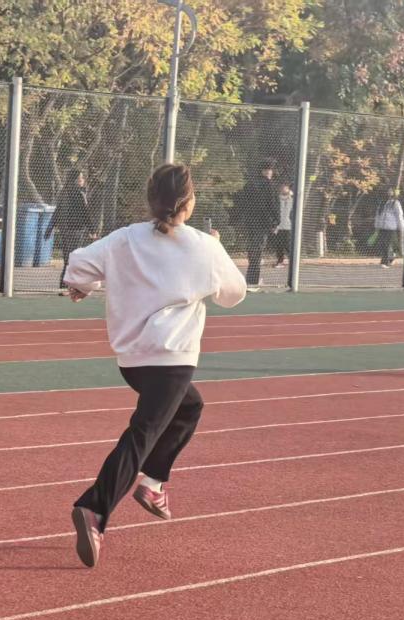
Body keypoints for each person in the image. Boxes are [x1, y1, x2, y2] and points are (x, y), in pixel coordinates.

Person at [63, 163, 248, 567]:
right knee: (142, 434)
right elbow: (234, 294)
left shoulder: (125, 238)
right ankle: (95, 507)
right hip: (172, 358)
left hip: (132, 360)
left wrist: (83, 285)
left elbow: (78, 265)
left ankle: (152, 482)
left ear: (151, 201)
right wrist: (216, 252)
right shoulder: (204, 246)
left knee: (190, 407)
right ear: (189, 203)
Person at [233, 160, 279, 289]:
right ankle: (253, 280)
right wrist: (275, 221)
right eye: (269, 170)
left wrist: (243, 218)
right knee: (258, 249)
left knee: (253, 249)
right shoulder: (269, 185)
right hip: (263, 222)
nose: (270, 172)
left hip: (250, 221)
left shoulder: (250, 184)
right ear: (266, 171)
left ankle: (251, 278)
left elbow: (242, 202)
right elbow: (273, 204)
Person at [44, 168, 91, 293]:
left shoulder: (64, 193)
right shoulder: (79, 194)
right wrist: (92, 228)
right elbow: (85, 213)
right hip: (75, 230)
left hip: (66, 230)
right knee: (73, 258)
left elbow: (57, 212)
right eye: (80, 178)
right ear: (75, 180)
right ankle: (69, 285)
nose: (82, 180)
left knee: (68, 258)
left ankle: (64, 284)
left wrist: (49, 228)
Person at [374, 191, 404, 268]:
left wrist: (401, 226)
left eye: (390, 192)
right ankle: (392, 256)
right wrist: (377, 225)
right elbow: (378, 215)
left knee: (387, 244)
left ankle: (385, 262)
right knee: (382, 244)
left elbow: (399, 216)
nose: (387, 193)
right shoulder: (382, 203)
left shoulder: (395, 203)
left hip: (391, 227)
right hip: (382, 227)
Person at [272, 182, 294, 269]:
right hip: (279, 226)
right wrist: (274, 224)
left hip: (289, 226)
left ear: (288, 189)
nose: (283, 189)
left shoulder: (292, 199)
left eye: (285, 187)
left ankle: (292, 261)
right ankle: (280, 261)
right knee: (279, 245)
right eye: (282, 187)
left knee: (288, 244)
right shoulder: (277, 199)